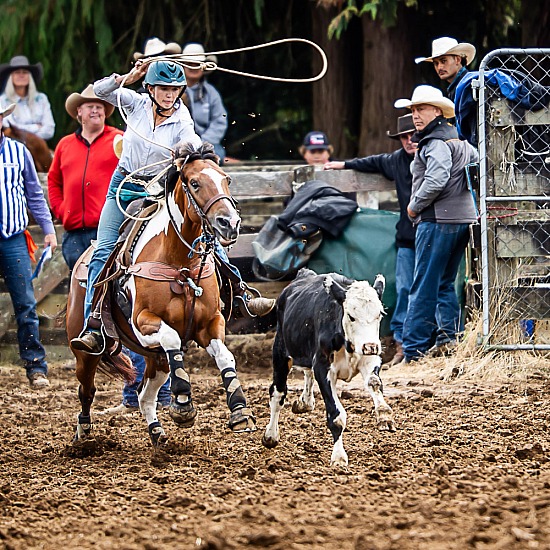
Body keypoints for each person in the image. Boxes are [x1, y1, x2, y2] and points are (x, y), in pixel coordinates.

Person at [70, 59, 273, 355]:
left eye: (175, 89)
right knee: (103, 248)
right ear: (151, 88)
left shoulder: (183, 118)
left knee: (203, 236)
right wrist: (130, 75)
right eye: (163, 88)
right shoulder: (134, 102)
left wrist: (188, 150)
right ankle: (94, 324)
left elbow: (191, 142)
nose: (169, 94)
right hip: (124, 187)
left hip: (160, 188)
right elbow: (99, 90)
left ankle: (241, 292)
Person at [324, 114, 417, 366]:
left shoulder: (433, 156)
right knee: (405, 288)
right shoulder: (397, 161)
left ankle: (437, 341)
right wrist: (342, 165)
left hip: (434, 230)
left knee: (438, 289)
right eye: (404, 137)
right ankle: (402, 344)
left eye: (413, 135)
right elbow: (372, 162)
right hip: (409, 235)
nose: (409, 141)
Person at [393, 85, 478, 362]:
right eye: (413, 110)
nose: (415, 115)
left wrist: (414, 205)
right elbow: (475, 166)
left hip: (437, 220)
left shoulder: (433, 142)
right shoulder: (458, 139)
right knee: (443, 283)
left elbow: (437, 177)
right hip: (462, 220)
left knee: (423, 285)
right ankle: (449, 340)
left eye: (421, 109)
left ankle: (413, 351)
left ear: (438, 112)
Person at [0, 103, 58, 388]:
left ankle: (36, 364)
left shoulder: (18, 151)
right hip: (11, 234)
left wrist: (48, 229)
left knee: (25, 302)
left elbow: (34, 194)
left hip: (12, 235)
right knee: (24, 301)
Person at [181, 43, 228, 162]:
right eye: (189, 64)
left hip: (206, 143)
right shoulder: (172, 90)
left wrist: (202, 143)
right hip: (179, 143)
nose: (193, 67)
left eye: (196, 64)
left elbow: (220, 121)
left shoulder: (211, 93)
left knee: (215, 155)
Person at [0, 55, 55, 140]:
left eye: (25, 72)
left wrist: (21, 131)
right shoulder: (3, 101)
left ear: (30, 76)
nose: (21, 75)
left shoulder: (41, 99)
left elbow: (50, 129)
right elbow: (8, 129)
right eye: (17, 72)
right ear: (11, 77)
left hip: (39, 148)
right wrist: (36, 127)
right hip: (15, 147)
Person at [415, 37, 476, 102]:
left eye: (443, 61)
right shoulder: (457, 87)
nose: (439, 67)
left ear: (457, 60)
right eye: (436, 63)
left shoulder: (469, 85)